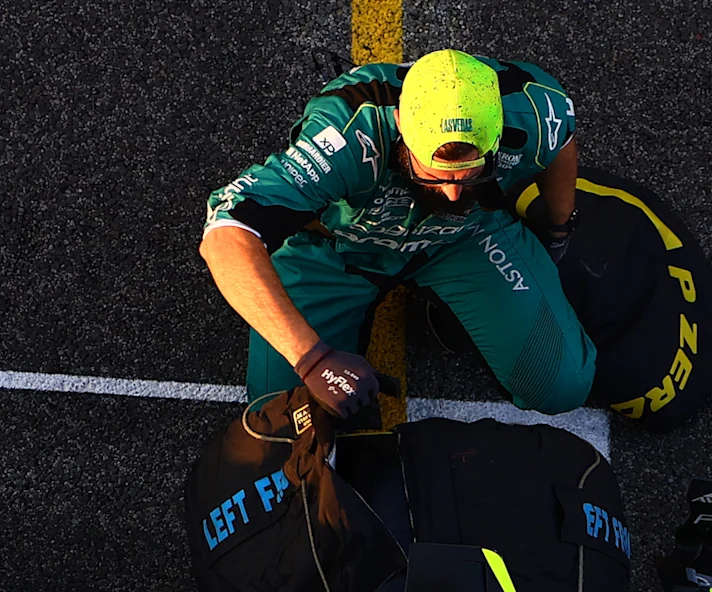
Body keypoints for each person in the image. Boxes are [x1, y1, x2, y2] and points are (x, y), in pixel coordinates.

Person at [201, 48, 592, 421]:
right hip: (336, 250)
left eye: (470, 172)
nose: (453, 192)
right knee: (283, 415)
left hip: (461, 239)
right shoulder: (348, 133)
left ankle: (451, 302)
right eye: (435, 174)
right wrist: (311, 358)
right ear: (401, 124)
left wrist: (559, 226)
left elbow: (561, 141)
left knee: (563, 383)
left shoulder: (534, 109)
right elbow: (226, 233)